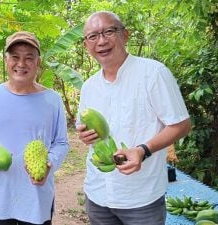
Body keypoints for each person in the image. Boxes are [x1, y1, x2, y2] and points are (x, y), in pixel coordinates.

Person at [76, 11, 191, 225]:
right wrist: (85, 135)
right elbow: (82, 128)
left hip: (141, 199)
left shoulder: (153, 73)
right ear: (86, 45)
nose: (101, 41)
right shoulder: (89, 86)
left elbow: (181, 125)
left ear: (125, 35)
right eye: (93, 36)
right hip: (97, 193)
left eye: (109, 31)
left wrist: (142, 150)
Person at [0, 31, 69, 225]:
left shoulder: (52, 100)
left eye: (29, 58)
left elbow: (61, 142)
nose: (21, 64)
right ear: (6, 60)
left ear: (38, 62)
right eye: (15, 57)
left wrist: (49, 164)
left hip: (35, 197)